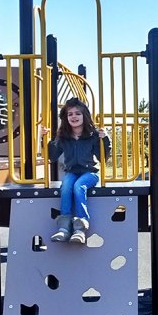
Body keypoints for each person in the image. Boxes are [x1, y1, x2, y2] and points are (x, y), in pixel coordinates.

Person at [44, 98, 111, 244]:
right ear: (66, 118)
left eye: (77, 114)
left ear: (84, 116)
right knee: (66, 187)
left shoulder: (93, 135)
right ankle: (64, 228)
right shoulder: (64, 136)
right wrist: (47, 139)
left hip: (90, 173)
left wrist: (105, 139)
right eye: (70, 114)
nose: (73, 117)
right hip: (72, 172)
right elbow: (53, 156)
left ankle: (80, 228)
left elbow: (102, 157)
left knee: (78, 187)